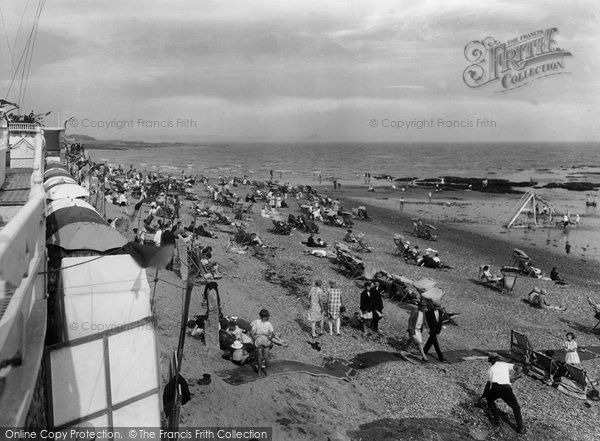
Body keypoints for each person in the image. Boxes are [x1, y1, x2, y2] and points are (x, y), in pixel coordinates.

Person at [482, 353, 525, 434]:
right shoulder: (505, 365)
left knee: (489, 399)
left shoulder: (491, 369)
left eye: (491, 361)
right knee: (516, 407)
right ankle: (520, 428)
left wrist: (483, 396)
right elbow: (519, 368)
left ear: (493, 360)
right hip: (507, 389)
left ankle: (497, 421)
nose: (491, 363)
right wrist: (514, 377)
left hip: (496, 388)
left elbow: (488, 385)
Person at [250, 309, 288, 375]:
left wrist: (253, 338)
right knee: (266, 356)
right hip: (265, 340)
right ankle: (267, 371)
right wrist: (271, 338)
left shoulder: (256, 322)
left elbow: (252, 331)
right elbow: (273, 333)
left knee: (259, 357)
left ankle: (259, 371)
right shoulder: (268, 324)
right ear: (266, 317)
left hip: (258, 339)